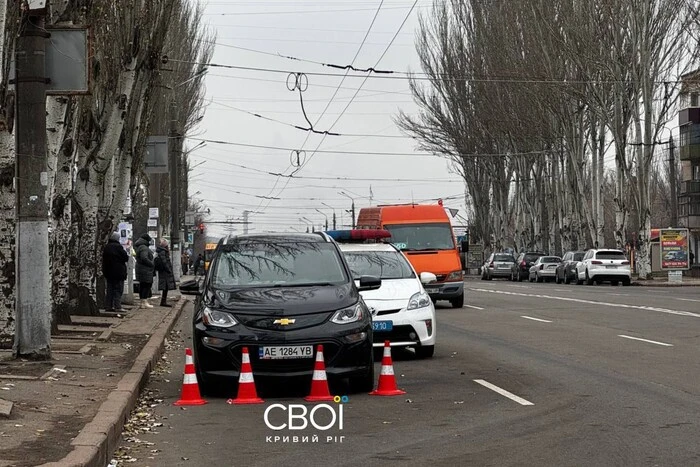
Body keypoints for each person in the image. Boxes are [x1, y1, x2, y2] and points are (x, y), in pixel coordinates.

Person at [102, 232, 129, 312]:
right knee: (118, 289)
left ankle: (108, 306)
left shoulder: (107, 247)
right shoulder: (118, 247)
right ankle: (118, 306)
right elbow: (125, 257)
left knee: (110, 290)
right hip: (118, 272)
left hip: (109, 272)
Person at [134, 233, 155, 309]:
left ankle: (143, 302)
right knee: (146, 285)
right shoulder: (144, 248)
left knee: (143, 285)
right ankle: (144, 302)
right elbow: (144, 258)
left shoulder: (140, 247)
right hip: (145, 270)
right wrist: (152, 264)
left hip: (141, 269)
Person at [156, 239, 176, 307]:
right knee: (165, 286)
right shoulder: (163, 252)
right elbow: (164, 262)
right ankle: (163, 301)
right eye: (167, 245)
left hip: (164, 271)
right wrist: (168, 269)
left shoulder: (162, 251)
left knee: (166, 287)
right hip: (165, 272)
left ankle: (163, 301)